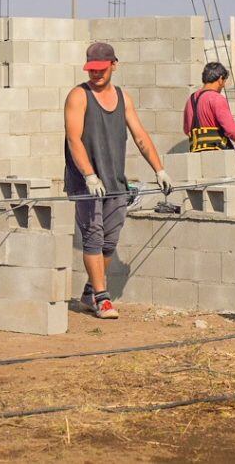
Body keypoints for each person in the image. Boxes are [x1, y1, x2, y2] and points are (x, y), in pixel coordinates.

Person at [64, 42, 172, 319]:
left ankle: (89, 292)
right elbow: (73, 138)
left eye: (101, 69)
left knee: (109, 242)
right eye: (92, 70)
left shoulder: (123, 98)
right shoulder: (79, 96)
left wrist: (159, 170)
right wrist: (88, 174)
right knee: (93, 236)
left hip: (115, 182)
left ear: (114, 65)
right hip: (87, 182)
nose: (96, 74)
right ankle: (103, 298)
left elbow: (139, 136)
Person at [182, 62, 235, 172]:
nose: (223, 86)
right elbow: (232, 130)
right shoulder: (217, 99)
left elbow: (187, 130)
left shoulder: (191, 99)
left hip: (196, 156)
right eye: (224, 82)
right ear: (220, 79)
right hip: (218, 156)